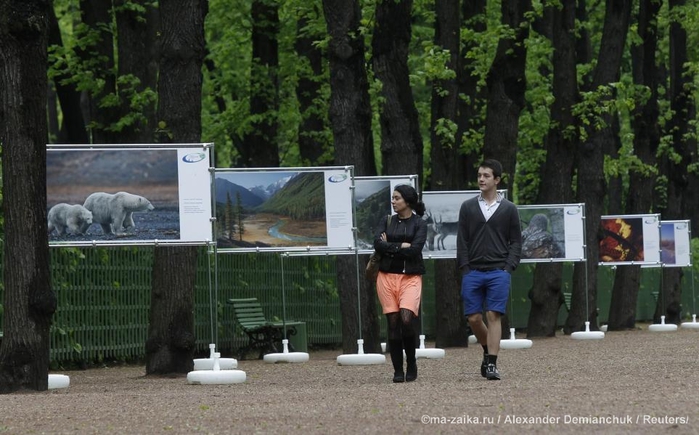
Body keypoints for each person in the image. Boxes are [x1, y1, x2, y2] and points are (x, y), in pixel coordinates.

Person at [456, 159, 522, 380]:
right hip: (473, 271)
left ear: (497, 180)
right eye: (479, 175)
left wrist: (507, 267)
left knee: (494, 314)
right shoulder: (467, 207)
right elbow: (462, 240)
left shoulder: (509, 209)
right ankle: (487, 350)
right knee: (474, 318)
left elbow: (516, 241)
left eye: (486, 175)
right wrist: (465, 268)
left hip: (498, 271)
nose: (481, 179)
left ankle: (491, 364)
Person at [373, 184, 428, 383]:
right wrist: (400, 246)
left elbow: (415, 250)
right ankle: (397, 370)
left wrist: (390, 246)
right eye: (393, 198)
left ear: (407, 201)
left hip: (411, 278)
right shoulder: (387, 220)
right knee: (393, 323)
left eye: (396, 198)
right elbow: (377, 244)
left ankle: (411, 362)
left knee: (406, 320)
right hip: (386, 276)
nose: (393, 201)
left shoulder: (420, 224)